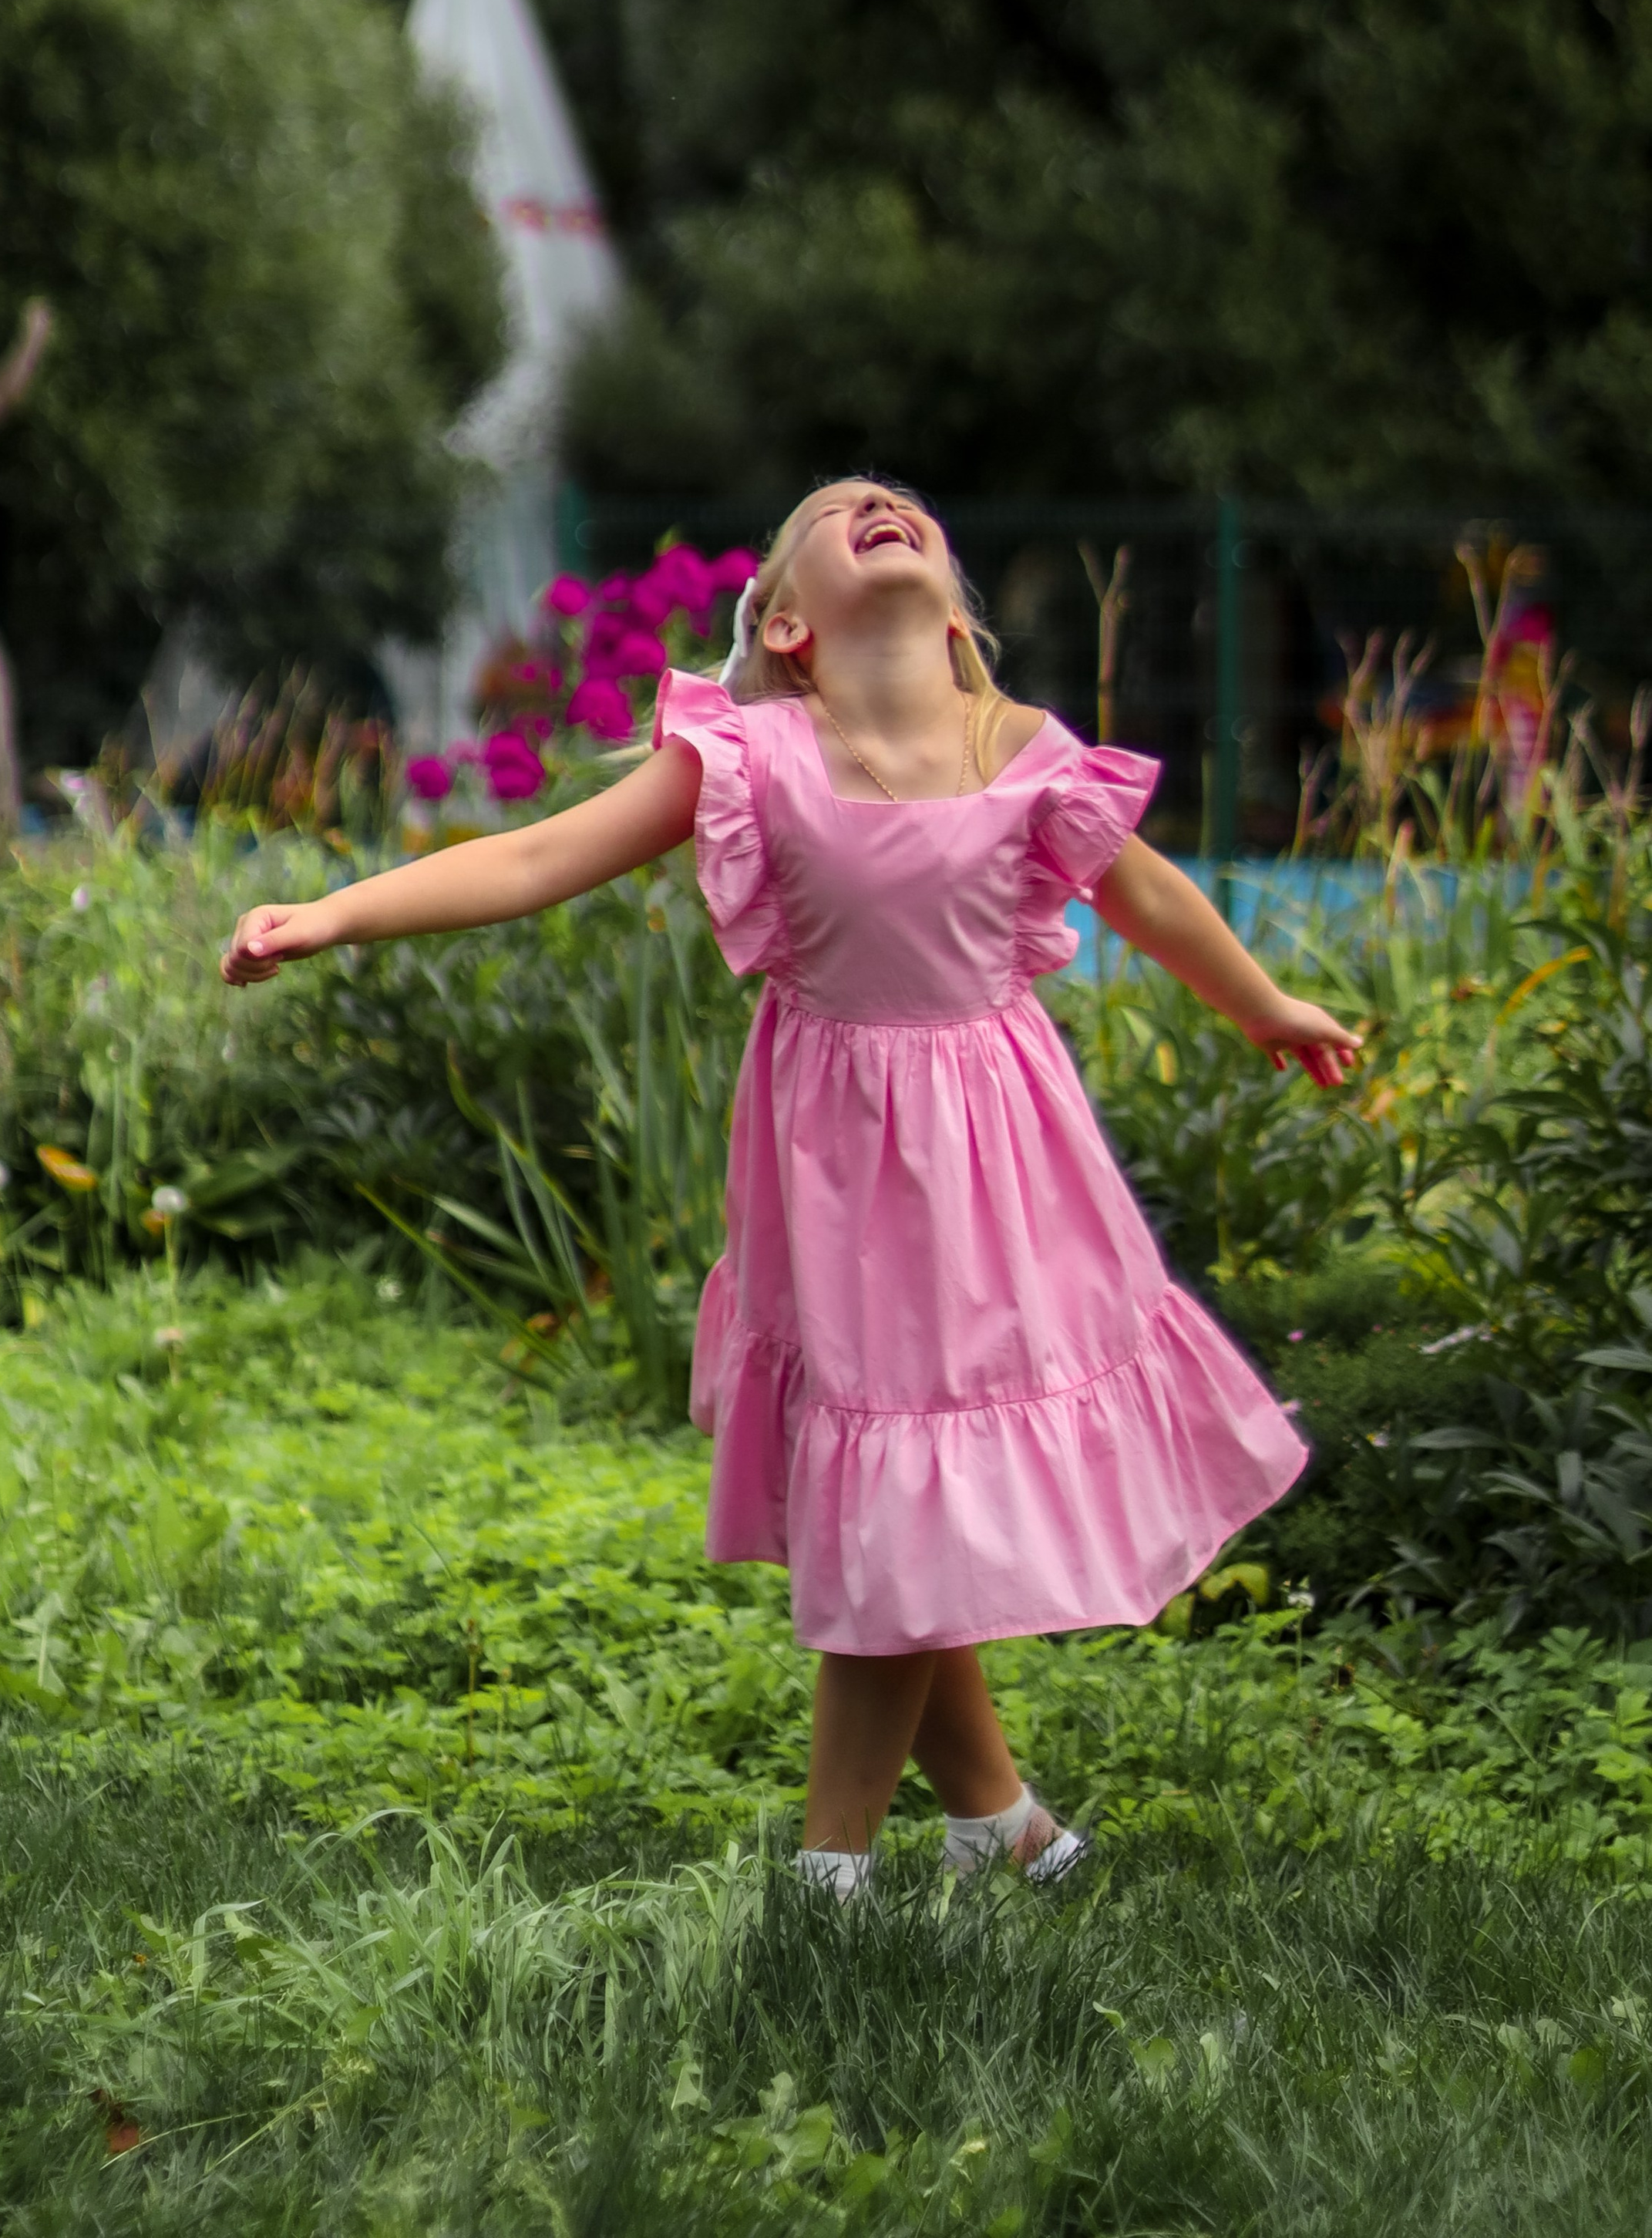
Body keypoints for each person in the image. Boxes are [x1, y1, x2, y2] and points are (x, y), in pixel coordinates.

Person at [224, 481, 1358, 1896]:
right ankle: (876, 1865)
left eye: (905, 509)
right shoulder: (754, 756)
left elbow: (1153, 898)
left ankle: (947, 1841)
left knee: (911, 1497)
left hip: (1000, 1173)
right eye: (840, 511)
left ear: (954, 612)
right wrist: (332, 912)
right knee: (897, 1487)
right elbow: (533, 854)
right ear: (787, 623)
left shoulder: (1023, 753)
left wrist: (1262, 1006)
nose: (880, 505)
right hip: (840, 1183)